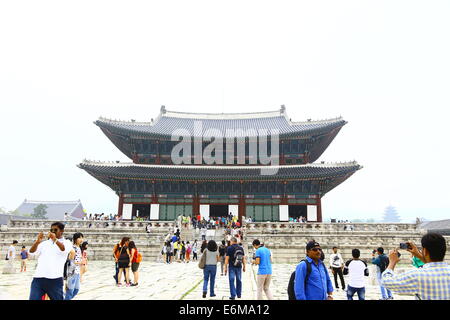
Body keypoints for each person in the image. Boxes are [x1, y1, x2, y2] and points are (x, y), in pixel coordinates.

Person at [381, 233, 450, 300]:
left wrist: (392, 263)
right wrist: (419, 255)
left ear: (425, 251)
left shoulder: (418, 275)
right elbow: (434, 266)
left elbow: (386, 282)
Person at [28, 222, 73, 300]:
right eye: (51, 230)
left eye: (55, 230)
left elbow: (64, 249)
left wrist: (55, 240)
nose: (53, 231)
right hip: (38, 278)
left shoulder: (67, 243)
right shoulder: (44, 243)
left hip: (55, 279)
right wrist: (37, 242)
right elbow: (31, 252)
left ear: (62, 231)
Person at [65, 232, 84, 300]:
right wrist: (80, 262)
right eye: (79, 238)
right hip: (72, 272)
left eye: (82, 238)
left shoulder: (79, 248)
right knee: (70, 291)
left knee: (76, 290)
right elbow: (70, 261)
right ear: (75, 239)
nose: (81, 239)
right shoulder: (73, 248)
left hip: (77, 272)